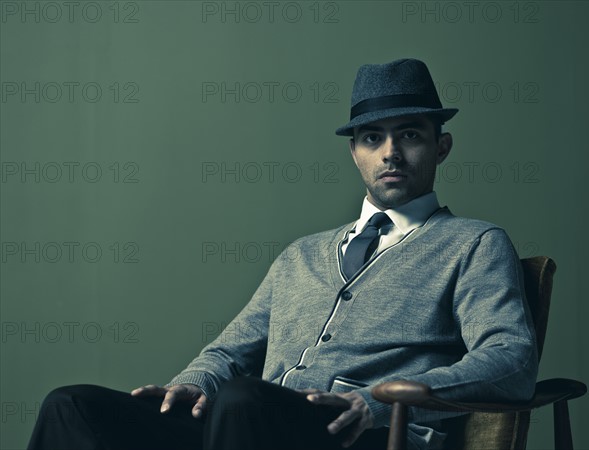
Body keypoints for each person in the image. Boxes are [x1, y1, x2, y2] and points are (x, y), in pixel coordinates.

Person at [27, 58, 538, 450]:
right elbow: (230, 352)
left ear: (441, 147)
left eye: (409, 134)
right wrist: (188, 385)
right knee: (73, 405)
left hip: (362, 432)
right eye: (372, 137)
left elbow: (509, 358)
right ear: (354, 151)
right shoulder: (302, 255)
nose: (390, 153)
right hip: (248, 422)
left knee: (243, 399)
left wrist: (377, 401)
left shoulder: (473, 244)